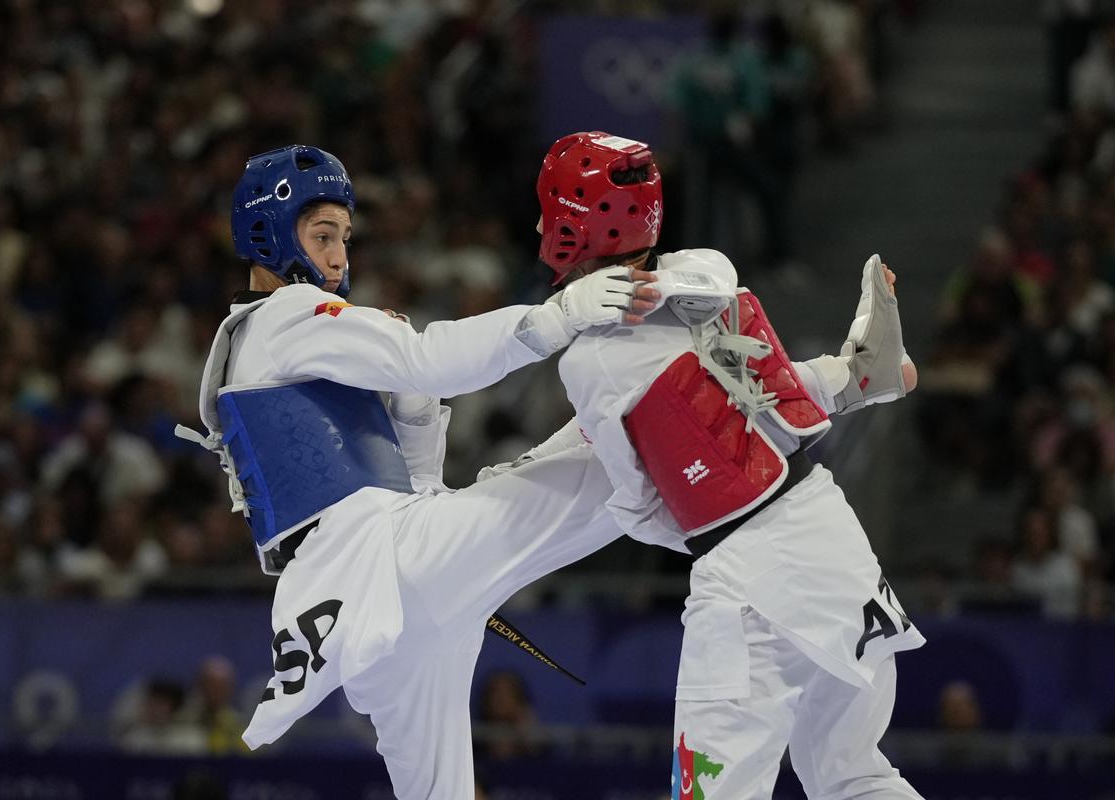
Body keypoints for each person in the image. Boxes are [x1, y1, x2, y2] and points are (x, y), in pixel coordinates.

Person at [177, 144, 660, 799]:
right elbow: (432, 356)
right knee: (621, 454)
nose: (340, 258)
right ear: (267, 232)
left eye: (346, 237)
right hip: (391, 564)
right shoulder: (285, 315)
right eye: (322, 236)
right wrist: (559, 318)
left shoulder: (271, 340)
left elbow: (415, 486)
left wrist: (415, 414)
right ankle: (745, 429)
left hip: (381, 609)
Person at [530, 132, 924, 799]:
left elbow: (638, 493)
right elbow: (745, 396)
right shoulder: (706, 273)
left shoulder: (590, 357)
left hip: (747, 575)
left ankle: (857, 376)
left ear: (572, 224)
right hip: (830, 534)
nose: (539, 225)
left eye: (547, 211)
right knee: (852, 773)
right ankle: (855, 375)